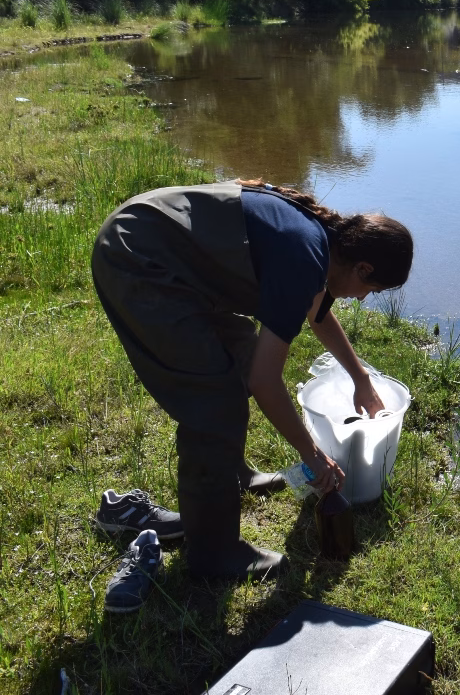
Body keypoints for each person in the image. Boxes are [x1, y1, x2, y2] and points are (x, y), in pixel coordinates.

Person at [91, 179, 413, 579]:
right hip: (138, 259)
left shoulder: (324, 242)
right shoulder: (304, 252)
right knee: (214, 406)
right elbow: (265, 381)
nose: (364, 298)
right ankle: (215, 553)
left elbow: (316, 313)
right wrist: (311, 455)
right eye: (372, 288)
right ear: (362, 267)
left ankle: (232, 474)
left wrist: (360, 377)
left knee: (240, 349)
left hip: (161, 247)